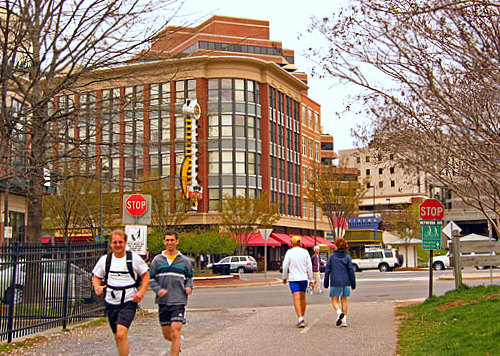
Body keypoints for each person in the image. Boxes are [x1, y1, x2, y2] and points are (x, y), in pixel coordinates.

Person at [92, 229, 150, 356]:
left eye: (120, 242)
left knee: (121, 333)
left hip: (129, 301)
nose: (118, 245)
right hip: (111, 302)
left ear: (125, 243)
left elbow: (146, 275)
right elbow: (96, 276)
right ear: (111, 244)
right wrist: (97, 287)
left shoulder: (133, 259)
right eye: (115, 242)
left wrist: (141, 292)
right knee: (117, 335)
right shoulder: (105, 260)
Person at [149, 231, 193, 356]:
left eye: (172, 240)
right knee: (168, 335)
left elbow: (190, 277)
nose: (170, 243)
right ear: (164, 242)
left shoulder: (184, 261)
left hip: (179, 300)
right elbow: (151, 278)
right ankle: (178, 341)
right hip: (163, 301)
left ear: (177, 241)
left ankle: (176, 344)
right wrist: (158, 290)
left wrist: (189, 287)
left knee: (175, 331)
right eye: (167, 240)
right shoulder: (157, 260)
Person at [282, 235, 314, 328]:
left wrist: (284, 277)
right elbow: (309, 266)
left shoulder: (289, 253)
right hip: (303, 277)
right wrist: (311, 279)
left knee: (296, 297)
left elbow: (285, 266)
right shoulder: (305, 252)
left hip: (293, 278)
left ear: (292, 243)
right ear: (300, 243)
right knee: (303, 297)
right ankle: (302, 316)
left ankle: (300, 318)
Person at [323, 237, 356, 327]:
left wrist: (326, 282)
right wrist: (353, 283)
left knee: (334, 299)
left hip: (335, 281)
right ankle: (344, 320)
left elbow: (327, 270)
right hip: (346, 281)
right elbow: (351, 270)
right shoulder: (347, 257)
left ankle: (339, 312)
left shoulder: (332, 257)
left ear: (336, 246)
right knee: (344, 300)